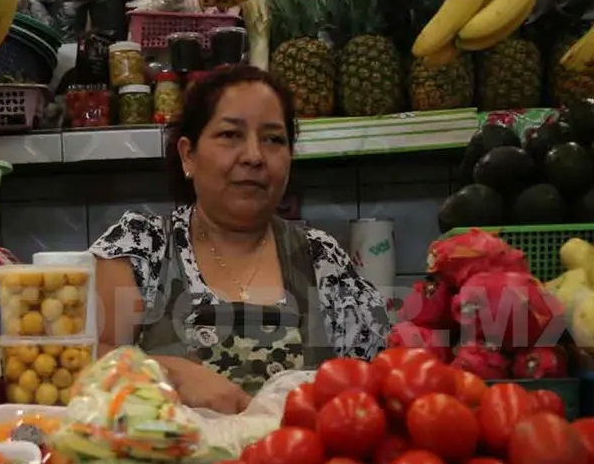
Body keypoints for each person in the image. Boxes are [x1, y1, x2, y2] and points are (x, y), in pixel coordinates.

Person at [90, 64, 389, 414]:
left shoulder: (321, 258)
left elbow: (375, 382)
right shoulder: (142, 246)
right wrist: (166, 374)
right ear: (189, 155)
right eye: (231, 135)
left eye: (273, 139)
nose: (254, 156)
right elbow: (86, 362)